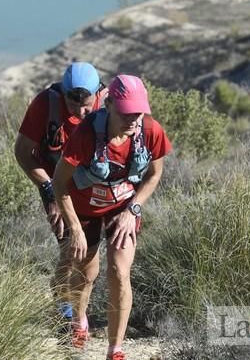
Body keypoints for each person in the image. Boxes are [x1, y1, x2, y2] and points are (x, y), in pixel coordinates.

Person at [53, 74, 172, 360]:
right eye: (127, 112)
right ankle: (78, 322)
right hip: (85, 209)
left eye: (139, 112)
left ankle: (114, 350)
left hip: (123, 210)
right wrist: (75, 228)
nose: (134, 119)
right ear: (110, 106)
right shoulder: (85, 135)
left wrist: (134, 209)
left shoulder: (150, 131)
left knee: (120, 272)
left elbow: (154, 175)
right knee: (86, 271)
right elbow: (59, 182)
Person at [14, 62, 107, 327]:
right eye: (72, 103)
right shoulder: (46, 105)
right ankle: (65, 304)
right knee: (70, 245)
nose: (80, 111)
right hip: (58, 187)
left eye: (86, 104)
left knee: (92, 252)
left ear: (97, 93)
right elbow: (22, 152)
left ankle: (78, 300)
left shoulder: (107, 104)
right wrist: (48, 190)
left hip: (95, 186)